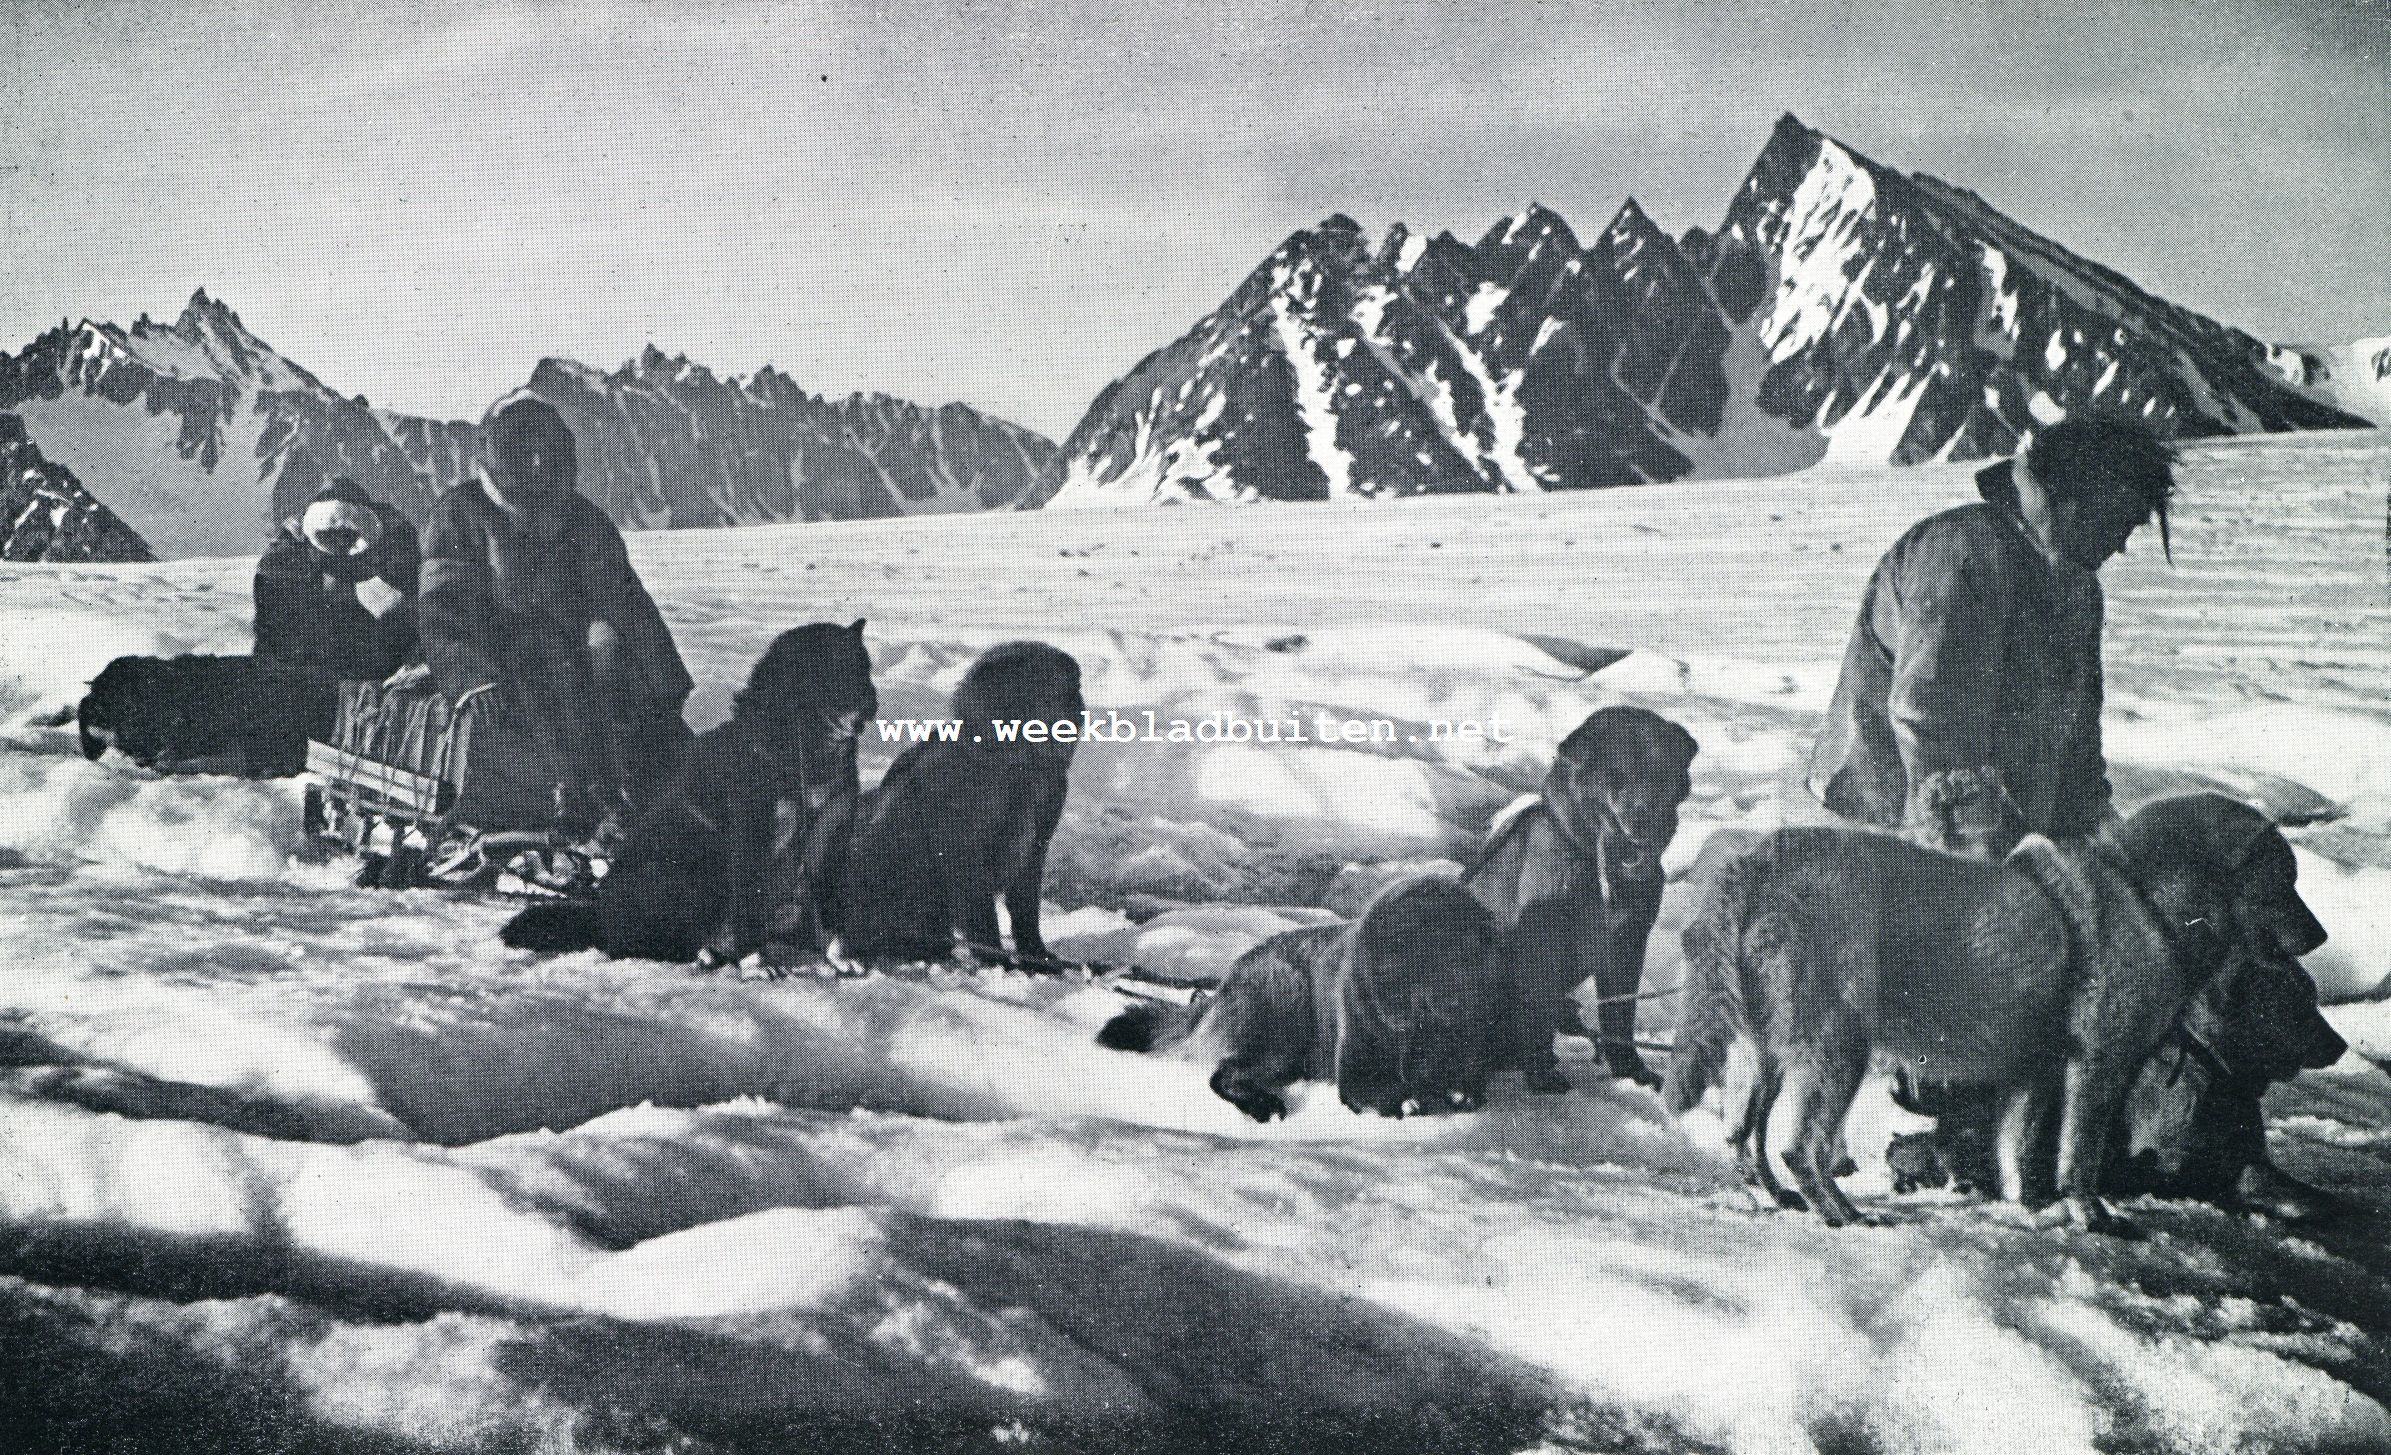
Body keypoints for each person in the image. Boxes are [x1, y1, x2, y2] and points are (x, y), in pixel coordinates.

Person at [1806, 413, 2340, 1221]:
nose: (2124, 543)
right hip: (1902, 825)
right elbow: (1924, 716)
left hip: (2020, 827)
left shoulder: (2071, 583)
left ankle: (2217, 1145)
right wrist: (1969, 858)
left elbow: (2076, 732)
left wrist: (2098, 843)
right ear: (2074, 493)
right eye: (2122, 519)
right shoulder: (1964, 553)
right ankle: (1962, 1143)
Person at [414, 393, 694, 836]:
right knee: (545, 656)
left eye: (549, 450)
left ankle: (681, 799)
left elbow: (626, 602)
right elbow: (442, 604)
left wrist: (665, 681)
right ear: (496, 453)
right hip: (504, 661)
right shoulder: (462, 511)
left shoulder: (585, 519)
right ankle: (577, 799)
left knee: (630, 678)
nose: (539, 463)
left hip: (580, 657)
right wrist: (471, 676)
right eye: (522, 449)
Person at [253, 476, 420, 682]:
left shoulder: (394, 532)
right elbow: (277, 632)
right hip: (309, 661)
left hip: (373, 649)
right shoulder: (285, 553)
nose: (340, 543)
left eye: (347, 536)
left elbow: (411, 599)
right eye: (330, 537)